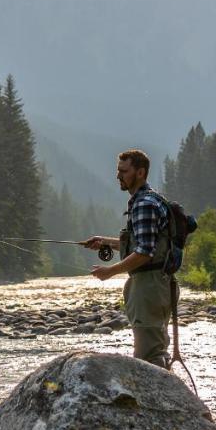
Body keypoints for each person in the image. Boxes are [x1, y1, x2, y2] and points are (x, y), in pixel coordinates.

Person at [82, 150, 176, 368]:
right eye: (118, 170)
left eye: (124, 171)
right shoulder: (148, 200)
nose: (118, 176)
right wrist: (105, 241)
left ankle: (155, 400)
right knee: (155, 349)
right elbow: (143, 243)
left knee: (148, 357)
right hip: (156, 283)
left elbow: (145, 252)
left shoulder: (144, 204)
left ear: (140, 172)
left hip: (149, 286)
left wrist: (110, 271)